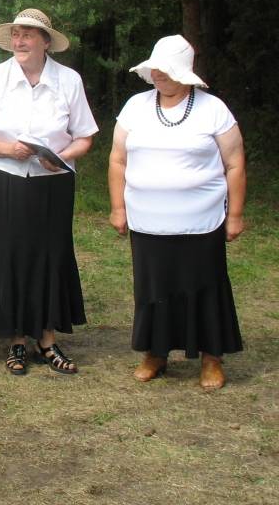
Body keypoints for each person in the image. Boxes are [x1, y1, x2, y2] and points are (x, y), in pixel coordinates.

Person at [0, 8, 98, 375]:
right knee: (8, 254)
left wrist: (63, 157)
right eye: (16, 35)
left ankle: (48, 339)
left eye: (28, 35)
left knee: (50, 256)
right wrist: (9, 149)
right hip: (4, 178)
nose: (20, 42)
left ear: (45, 42)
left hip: (53, 182)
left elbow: (85, 136)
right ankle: (16, 340)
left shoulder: (68, 80)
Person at [108, 35, 245, 390]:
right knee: (154, 287)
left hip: (201, 220)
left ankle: (211, 357)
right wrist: (118, 207)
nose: (158, 74)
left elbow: (234, 163)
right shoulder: (136, 106)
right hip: (147, 220)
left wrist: (235, 215)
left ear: (185, 73)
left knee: (206, 286)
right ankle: (156, 352)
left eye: (166, 69)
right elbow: (118, 159)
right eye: (155, 68)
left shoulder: (213, 109)